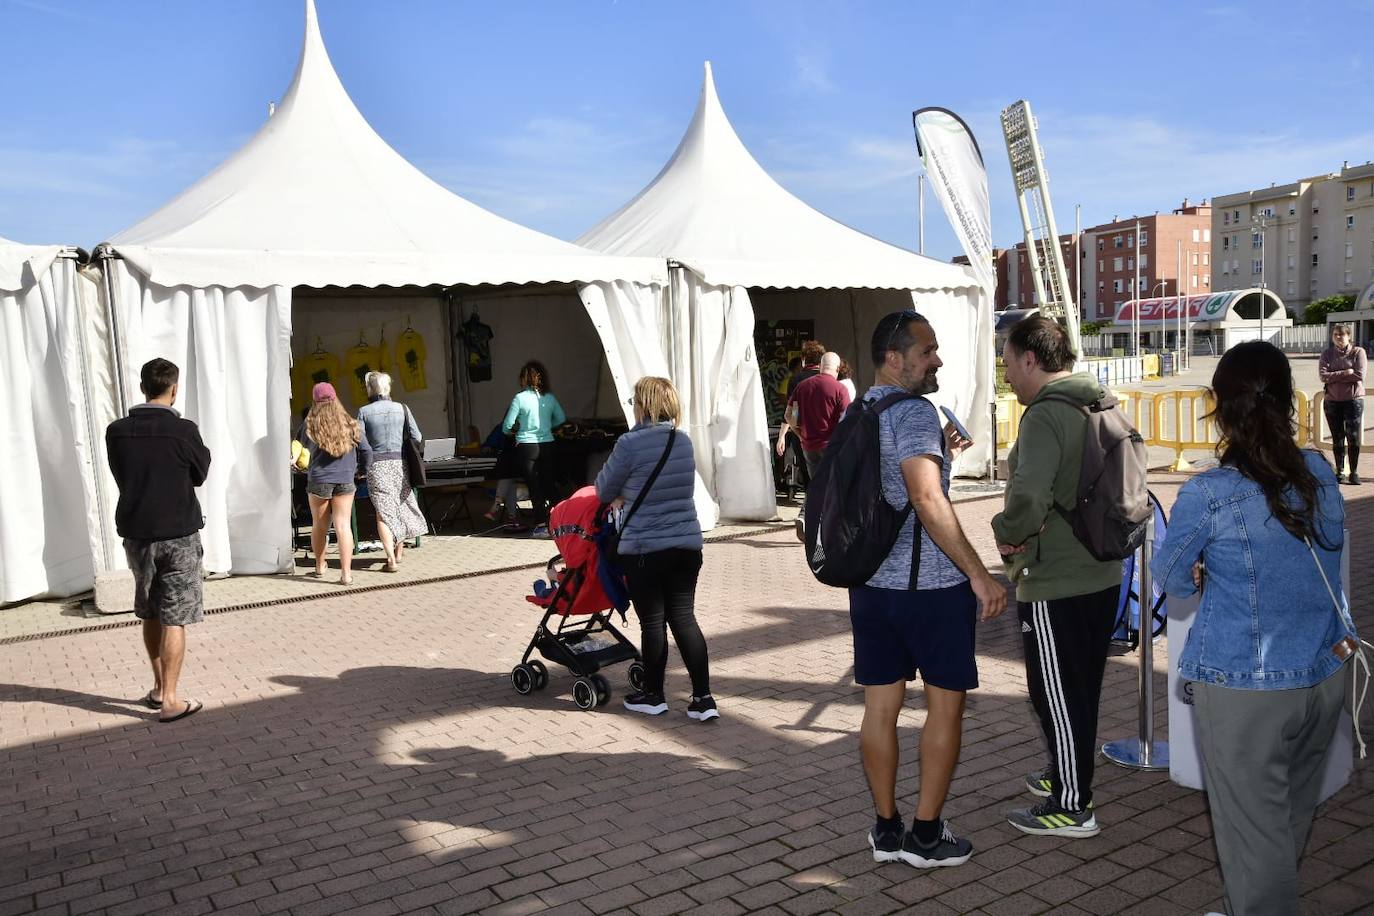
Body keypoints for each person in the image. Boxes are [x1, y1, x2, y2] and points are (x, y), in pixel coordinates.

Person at [1152, 341, 1357, 916]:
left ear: (1219, 405)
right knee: (1286, 819)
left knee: (1253, 829)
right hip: (1324, 672)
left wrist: (1198, 572)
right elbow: (1329, 552)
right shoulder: (1318, 470)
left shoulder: (1210, 492)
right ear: (1290, 400)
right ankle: (1253, 902)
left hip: (1246, 687)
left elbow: (1175, 581)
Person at [853, 310, 1007, 868]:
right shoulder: (916, 411)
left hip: (871, 585)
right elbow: (924, 497)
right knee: (944, 709)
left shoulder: (863, 407)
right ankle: (924, 835)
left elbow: (896, 484)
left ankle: (886, 830)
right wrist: (978, 572)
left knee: (880, 709)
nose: (936, 359)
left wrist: (942, 454)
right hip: (932, 588)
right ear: (895, 358)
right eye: (928, 350)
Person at [992, 316, 1128, 838]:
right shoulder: (1098, 399)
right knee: (1079, 686)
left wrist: (1006, 530)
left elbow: (1029, 496)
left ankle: (1072, 803)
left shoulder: (1046, 415)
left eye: (1008, 362)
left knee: (1054, 691)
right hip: (1103, 567)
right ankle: (1064, 774)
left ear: (1031, 358)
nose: (1007, 375)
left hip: (1058, 576)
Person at [595, 376, 716, 721]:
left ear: (644, 406)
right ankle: (703, 698)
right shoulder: (683, 442)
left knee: (653, 622)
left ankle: (654, 695)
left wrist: (621, 494)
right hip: (686, 545)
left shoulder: (628, 444)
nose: (632, 406)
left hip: (645, 547)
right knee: (684, 618)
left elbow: (604, 490)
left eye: (634, 401)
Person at [105, 358, 211, 723]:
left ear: (142, 387)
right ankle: (170, 699)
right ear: (174, 388)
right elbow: (200, 474)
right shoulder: (183, 431)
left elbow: (121, 474)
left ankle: (157, 687)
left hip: (138, 532)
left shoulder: (117, 431)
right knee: (174, 617)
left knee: (151, 611)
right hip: (178, 532)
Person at [299, 382, 372, 585]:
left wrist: (299, 464)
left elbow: (297, 447)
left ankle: (320, 566)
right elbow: (366, 450)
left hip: (319, 480)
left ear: (315, 400)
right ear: (335, 398)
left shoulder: (309, 423)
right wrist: (361, 471)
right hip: (346, 479)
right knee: (343, 526)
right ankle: (346, 574)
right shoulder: (350, 423)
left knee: (319, 526)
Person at [356, 371, 427, 571]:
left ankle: (391, 560)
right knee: (399, 506)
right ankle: (399, 553)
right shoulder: (402, 408)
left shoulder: (363, 411)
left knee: (383, 512)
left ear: (371, 389)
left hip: (376, 466)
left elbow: (360, 442)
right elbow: (417, 436)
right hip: (400, 464)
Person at [503, 361, 566, 538]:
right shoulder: (550, 398)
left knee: (534, 487)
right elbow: (561, 418)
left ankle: (541, 526)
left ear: (524, 378)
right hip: (548, 444)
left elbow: (507, 426)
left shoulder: (519, 398)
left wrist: (515, 431)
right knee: (549, 485)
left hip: (527, 445)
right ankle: (563, 521)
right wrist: (547, 427)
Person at [786, 351, 852, 480]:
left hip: (809, 447)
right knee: (833, 487)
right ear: (837, 369)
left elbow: (790, 416)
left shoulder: (802, 387)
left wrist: (800, 434)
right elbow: (846, 421)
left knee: (816, 486)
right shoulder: (840, 389)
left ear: (821, 366)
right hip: (832, 447)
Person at [1319, 322, 1366, 485]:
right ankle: (1340, 471)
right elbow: (1323, 376)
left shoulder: (1358, 352)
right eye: (1335, 335)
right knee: (1337, 438)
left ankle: (1353, 472)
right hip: (1332, 401)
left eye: (1342, 334)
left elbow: (1359, 375)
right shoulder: (1327, 354)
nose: (1338, 337)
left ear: (1349, 336)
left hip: (1353, 401)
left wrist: (1335, 375)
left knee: (1353, 437)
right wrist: (1346, 372)